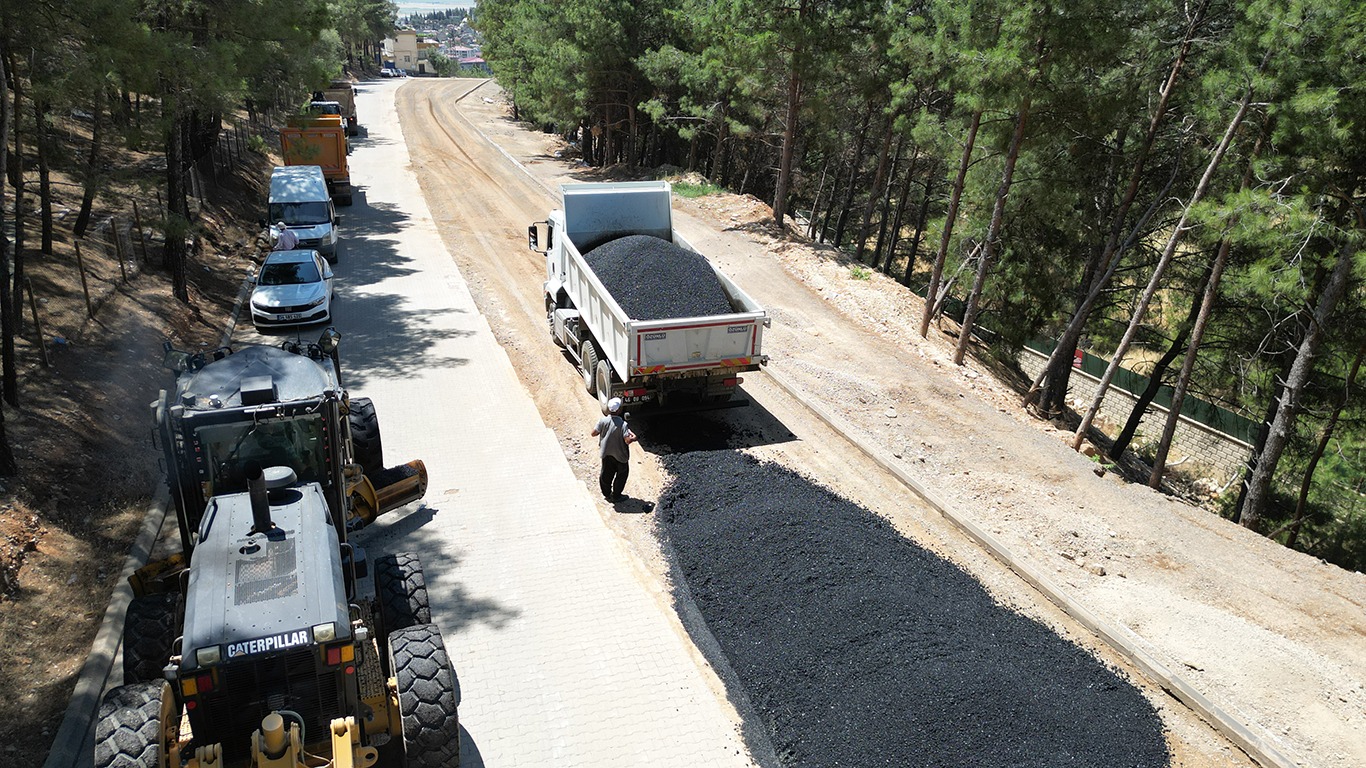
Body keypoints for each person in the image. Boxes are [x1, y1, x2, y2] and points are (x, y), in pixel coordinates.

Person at [591, 397, 637, 501]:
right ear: (619, 410)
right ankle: (617, 495)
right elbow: (627, 441)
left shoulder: (603, 421)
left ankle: (607, 494)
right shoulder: (623, 424)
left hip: (606, 453)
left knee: (606, 474)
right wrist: (633, 437)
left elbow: (593, 433)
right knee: (621, 475)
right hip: (620, 456)